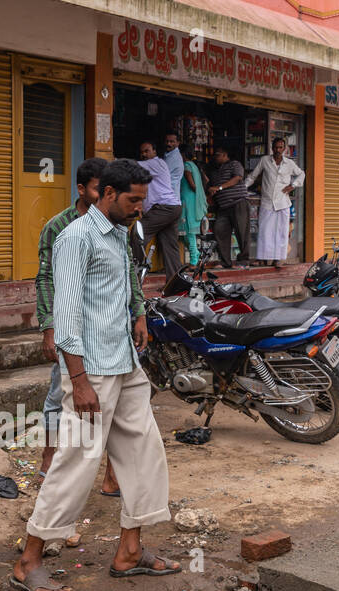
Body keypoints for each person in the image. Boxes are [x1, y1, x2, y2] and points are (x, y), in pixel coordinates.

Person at [12, 159, 180, 591]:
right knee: (77, 461)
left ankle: (129, 551)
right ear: (106, 193)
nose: (140, 208)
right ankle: (29, 561)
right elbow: (65, 315)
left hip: (124, 361)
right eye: (133, 200)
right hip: (92, 370)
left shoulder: (121, 232)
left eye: (144, 200)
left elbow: (125, 286)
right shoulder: (75, 238)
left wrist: (138, 315)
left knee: (145, 454)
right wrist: (79, 379)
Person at [34, 158, 134, 510]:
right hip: (75, 338)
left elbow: (129, 272)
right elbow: (47, 279)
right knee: (62, 401)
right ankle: (49, 466)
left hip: (113, 341)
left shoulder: (119, 224)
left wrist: (137, 311)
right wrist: (50, 326)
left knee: (117, 412)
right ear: (84, 190)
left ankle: (111, 477)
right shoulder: (63, 229)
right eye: (96, 188)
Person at [244, 137, 303, 267]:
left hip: (283, 203)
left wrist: (293, 185)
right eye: (275, 147)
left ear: (284, 149)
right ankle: (262, 259)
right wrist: (243, 188)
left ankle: (278, 259)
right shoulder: (265, 160)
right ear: (272, 148)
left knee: (281, 232)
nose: (277, 150)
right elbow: (253, 176)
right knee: (265, 231)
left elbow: (301, 174)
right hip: (267, 202)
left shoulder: (289, 163)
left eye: (280, 147)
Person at [134, 141, 183, 282]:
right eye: (142, 152)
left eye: (146, 151)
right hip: (172, 208)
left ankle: (133, 273)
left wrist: (114, 162)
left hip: (164, 208)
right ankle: (174, 284)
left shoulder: (155, 163)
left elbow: (133, 166)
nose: (144, 154)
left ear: (154, 152)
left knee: (138, 233)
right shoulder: (154, 166)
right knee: (170, 246)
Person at [207, 146, 250, 267]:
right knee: (220, 231)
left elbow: (237, 178)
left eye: (218, 154)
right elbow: (210, 185)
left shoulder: (234, 164)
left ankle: (244, 261)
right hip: (223, 206)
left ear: (225, 155)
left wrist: (220, 187)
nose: (215, 157)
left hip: (238, 202)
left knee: (242, 232)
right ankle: (226, 261)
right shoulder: (214, 171)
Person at [178, 144, 208, 268]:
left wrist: (197, 191)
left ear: (183, 155)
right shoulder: (195, 166)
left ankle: (194, 261)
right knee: (184, 233)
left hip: (187, 201)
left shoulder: (186, 166)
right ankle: (195, 254)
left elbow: (191, 184)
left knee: (188, 231)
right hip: (192, 200)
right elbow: (206, 180)